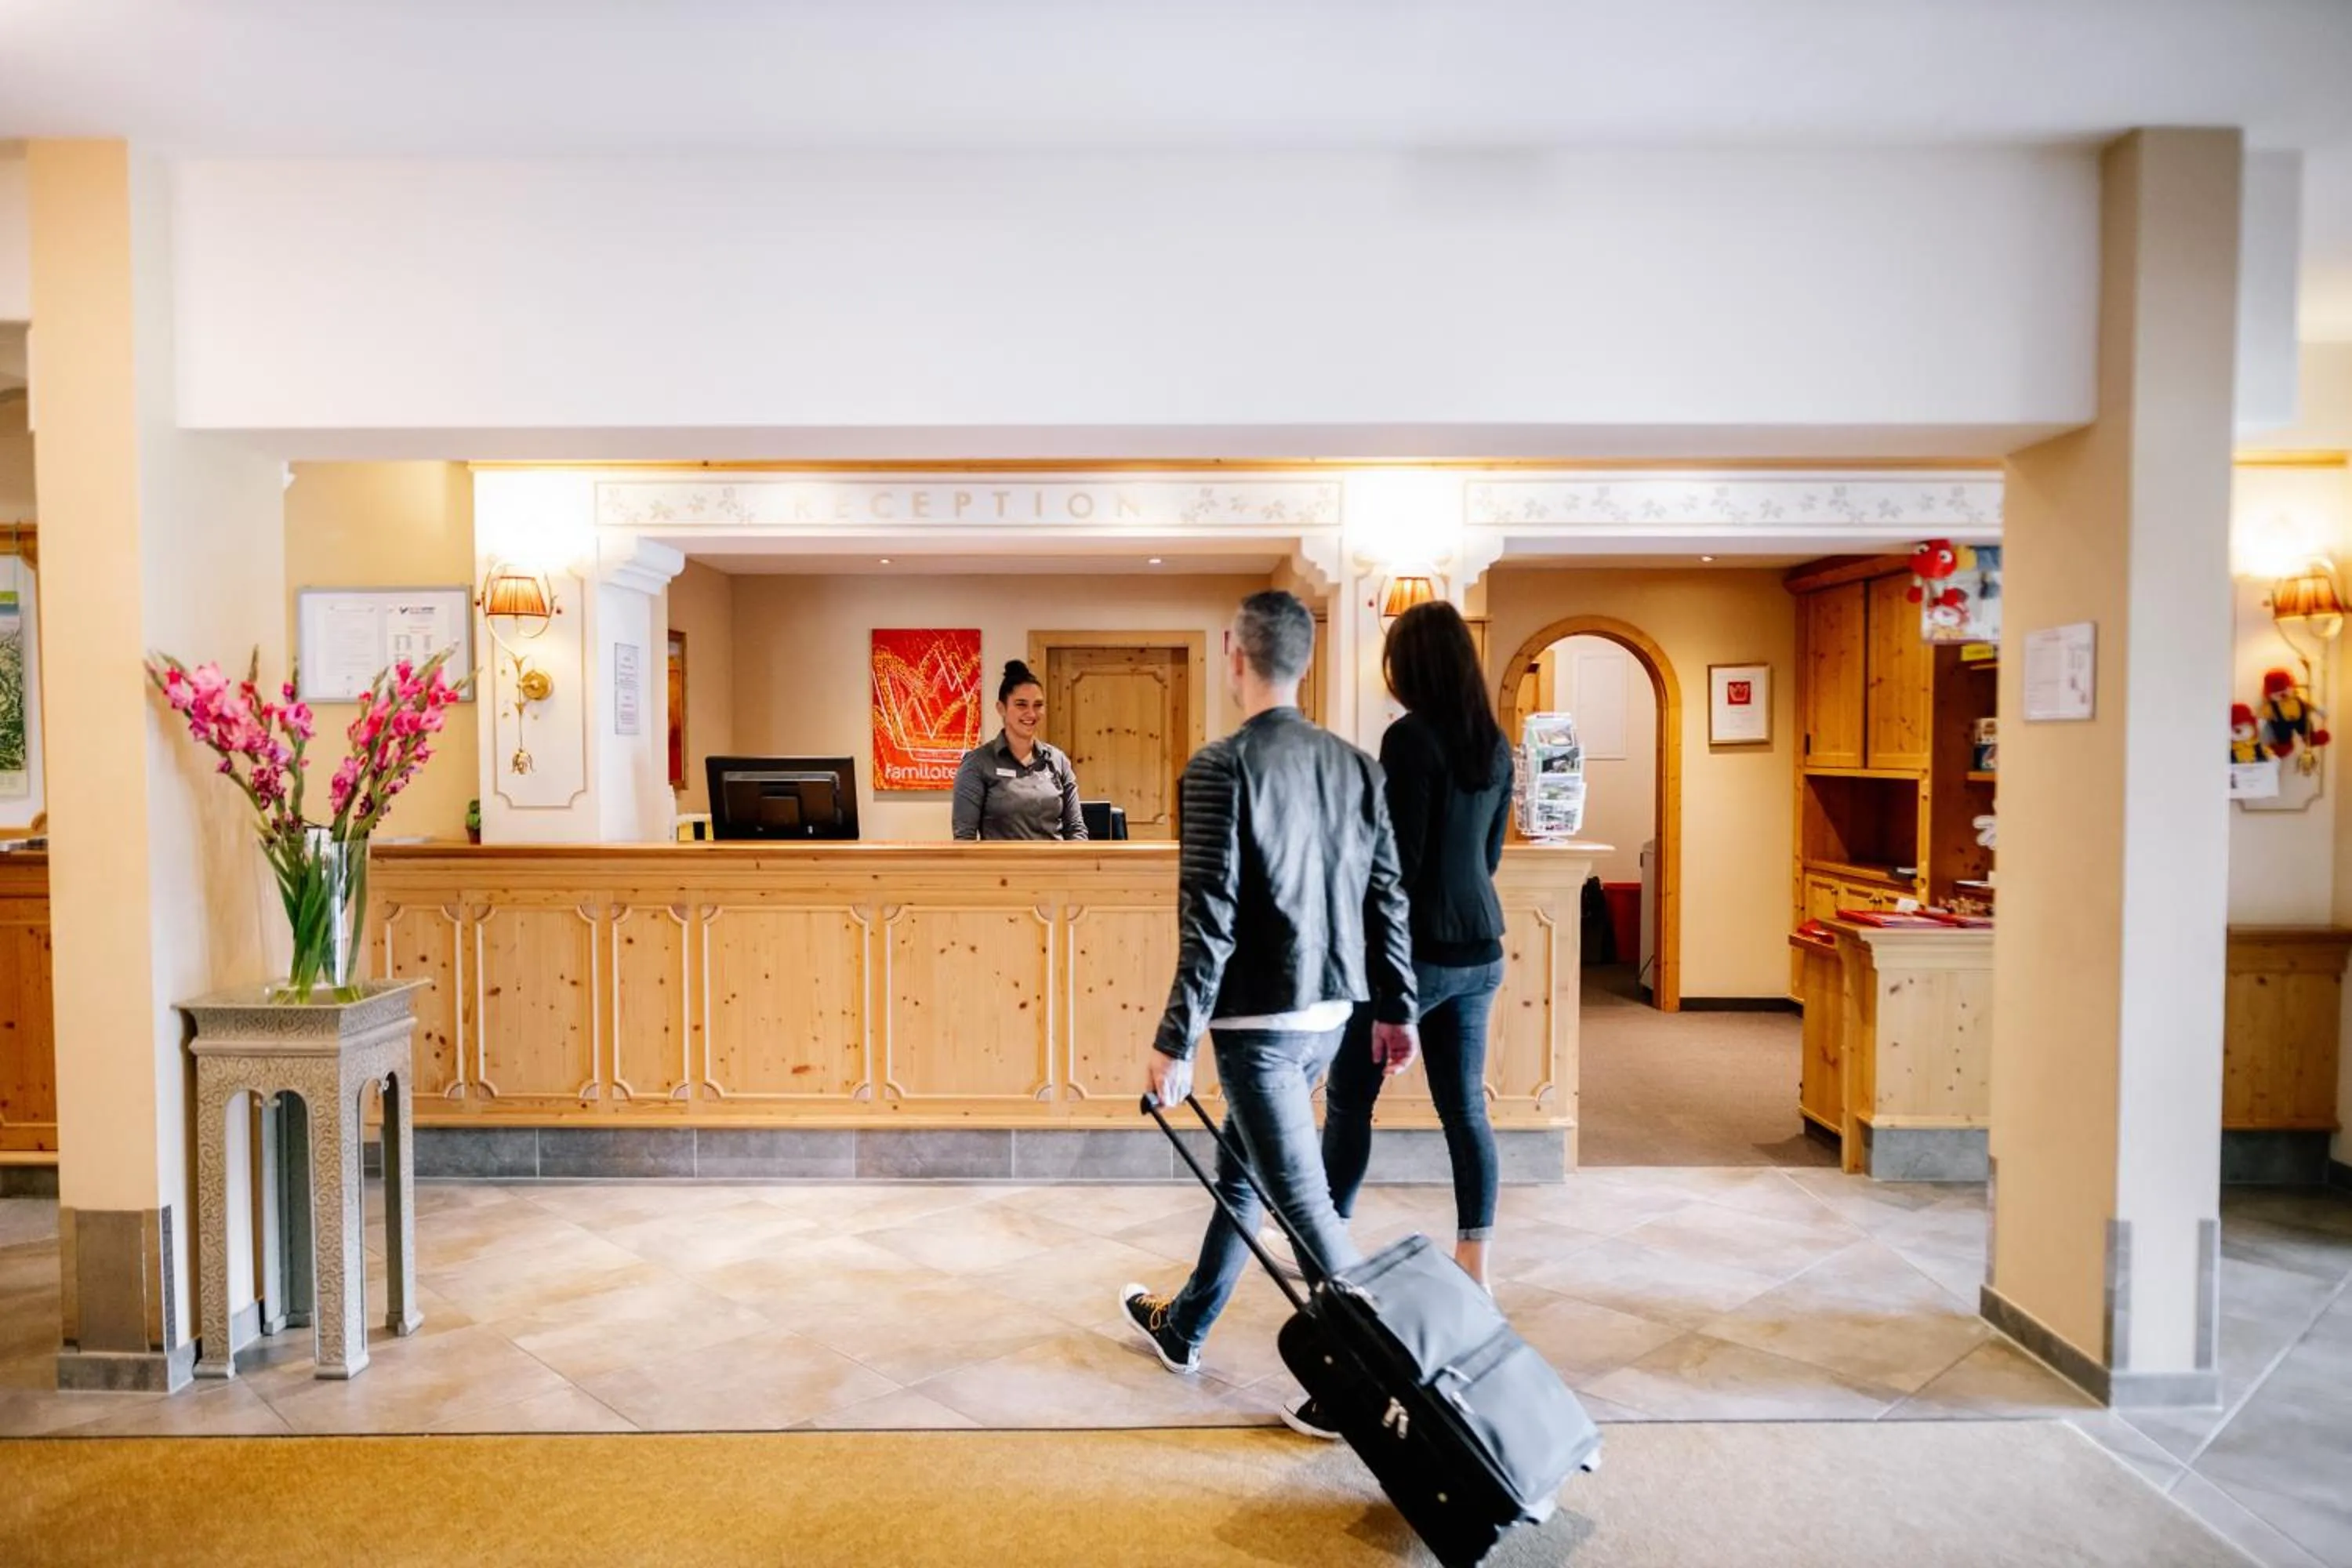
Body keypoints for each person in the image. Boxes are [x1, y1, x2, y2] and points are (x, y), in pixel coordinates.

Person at [1120, 590, 1418, 1438]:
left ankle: (1374, 1385)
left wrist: (1175, 1037)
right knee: (1247, 1170)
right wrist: (1396, 1006)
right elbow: (1386, 894)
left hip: (1260, 1027)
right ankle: (1185, 1326)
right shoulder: (1358, 764)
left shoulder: (1220, 766)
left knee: (1307, 1209)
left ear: (1232, 653)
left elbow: (1210, 909)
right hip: (1332, 1014)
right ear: (1308, 658)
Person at [1321, 600, 1513, 1295]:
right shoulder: (1494, 743)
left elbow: (1394, 866)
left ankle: (1330, 1243)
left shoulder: (1409, 740)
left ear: (1410, 666)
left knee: (1350, 1100)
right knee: (1465, 1109)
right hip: (1481, 950)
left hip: (1414, 954)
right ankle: (1476, 1266)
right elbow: (1487, 856)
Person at [950, 659, 1087, 840]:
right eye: (1021, 704)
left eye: (1038, 705)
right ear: (1001, 708)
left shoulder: (1057, 760)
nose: (1031, 714)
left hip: (1056, 867)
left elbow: (1076, 830)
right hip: (1003, 868)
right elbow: (964, 838)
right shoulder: (977, 763)